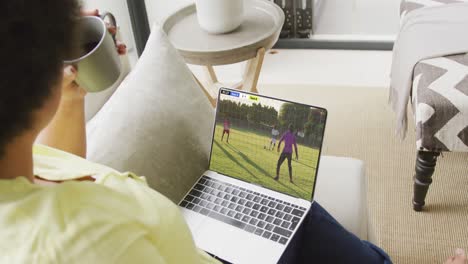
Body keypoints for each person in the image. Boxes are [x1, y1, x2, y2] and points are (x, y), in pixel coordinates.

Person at [0, 1, 462, 263]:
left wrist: (73, 97)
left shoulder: (18, 169)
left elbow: (56, 163)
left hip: (200, 227)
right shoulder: (94, 244)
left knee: (285, 201)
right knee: (312, 225)